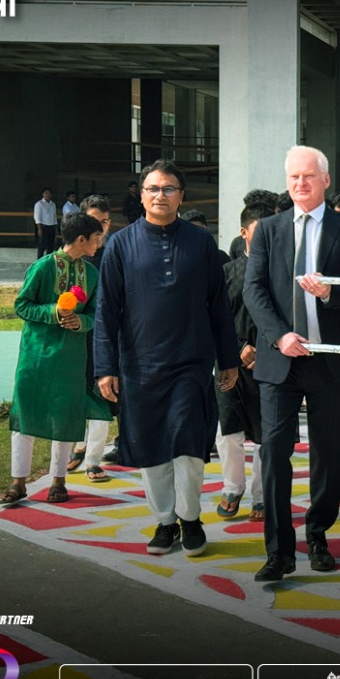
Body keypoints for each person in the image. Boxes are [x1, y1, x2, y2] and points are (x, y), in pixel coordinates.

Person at [94, 160, 240, 557]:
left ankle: (190, 519)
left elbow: (218, 307)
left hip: (191, 363)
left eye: (169, 189)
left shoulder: (201, 243)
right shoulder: (120, 246)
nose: (161, 195)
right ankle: (164, 523)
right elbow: (107, 310)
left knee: (190, 447)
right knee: (152, 449)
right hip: (140, 366)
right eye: (153, 188)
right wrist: (105, 367)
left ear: (182, 196)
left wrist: (227, 359)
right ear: (141, 195)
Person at [243, 145, 340, 581]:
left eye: (309, 177)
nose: (300, 184)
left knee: (328, 453)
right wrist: (279, 335)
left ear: (326, 181)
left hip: (329, 359)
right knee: (274, 451)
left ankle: (317, 533)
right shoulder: (269, 230)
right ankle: (278, 551)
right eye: (294, 177)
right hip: (281, 360)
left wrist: (331, 294)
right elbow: (253, 290)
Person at [0, 213, 111, 507]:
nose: (100, 244)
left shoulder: (92, 274)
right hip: (35, 355)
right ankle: (18, 481)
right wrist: (53, 313)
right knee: (26, 412)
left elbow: (98, 314)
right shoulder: (42, 267)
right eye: (97, 238)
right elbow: (22, 305)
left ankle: (58, 480)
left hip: (71, 358)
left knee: (65, 415)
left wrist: (81, 322)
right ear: (82, 239)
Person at [215, 202, 272, 522]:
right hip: (229, 365)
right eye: (259, 231)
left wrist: (264, 350)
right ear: (243, 232)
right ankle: (232, 487)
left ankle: (262, 496)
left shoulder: (283, 273)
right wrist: (237, 349)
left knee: (268, 436)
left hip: (271, 364)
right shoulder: (227, 273)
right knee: (229, 432)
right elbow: (214, 319)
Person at [68, 194, 116, 482]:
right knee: (75, 393)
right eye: (95, 222)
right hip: (74, 334)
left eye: (105, 222)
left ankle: (93, 460)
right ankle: (77, 445)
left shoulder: (115, 251)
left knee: (100, 395)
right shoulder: (68, 256)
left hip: (105, 334)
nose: (100, 228)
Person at [34, 188, 58, 258]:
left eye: (49, 193)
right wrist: (39, 229)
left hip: (51, 227)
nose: (48, 195)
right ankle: (39, 262)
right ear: (43, 194)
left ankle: (48, 262)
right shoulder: (39, 204)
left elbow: (54, 217)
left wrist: (56, 229)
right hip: (43, 227)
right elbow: (37, 217)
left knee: (50, 246)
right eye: (46, 193)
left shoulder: (53, 204)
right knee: (41, 246)